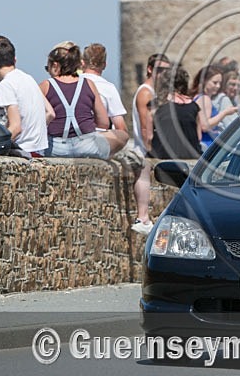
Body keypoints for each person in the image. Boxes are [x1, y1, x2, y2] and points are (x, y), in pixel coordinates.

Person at [39, 41, 127, 159]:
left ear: (55, 66)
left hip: (56, 148)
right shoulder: (88, 84)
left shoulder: (45, 85)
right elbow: (104, 123)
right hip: (87, 145)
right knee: (123, 135)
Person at [0, 37, 55, 156]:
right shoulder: (29, 78)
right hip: (40, 149)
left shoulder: (6, 84)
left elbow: (15, 127)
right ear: (14, 60)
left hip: (24, 150)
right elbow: (51, 113)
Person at [131, 53, 171, 235]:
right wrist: (150, 150)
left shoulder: (153, 93)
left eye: (167, 71)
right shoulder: (146, 92)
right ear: (149, 69)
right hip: (144, 150)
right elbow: (146, 125)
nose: (164, 74)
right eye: (160, 70)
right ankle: (143, 216)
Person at [150, 65, 202, 160]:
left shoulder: (157, 105)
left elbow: (149, 136)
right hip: (191, 157)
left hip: (163, 157)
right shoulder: (194, 107)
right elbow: (198, 137)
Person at [80, 43, 128, 132]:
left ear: (82, 63)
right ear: (104, 65)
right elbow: (120, 126)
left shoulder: (72, 83)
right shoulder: (108, 88)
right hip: (97, 139)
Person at [191, 64, 237, 149]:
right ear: (204, 81)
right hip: (208, 144)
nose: (218, 86)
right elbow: (205, 126)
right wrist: (225, 113)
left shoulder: (196, 97)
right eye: (214, 83)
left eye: (219, 83)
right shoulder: (205, 99)